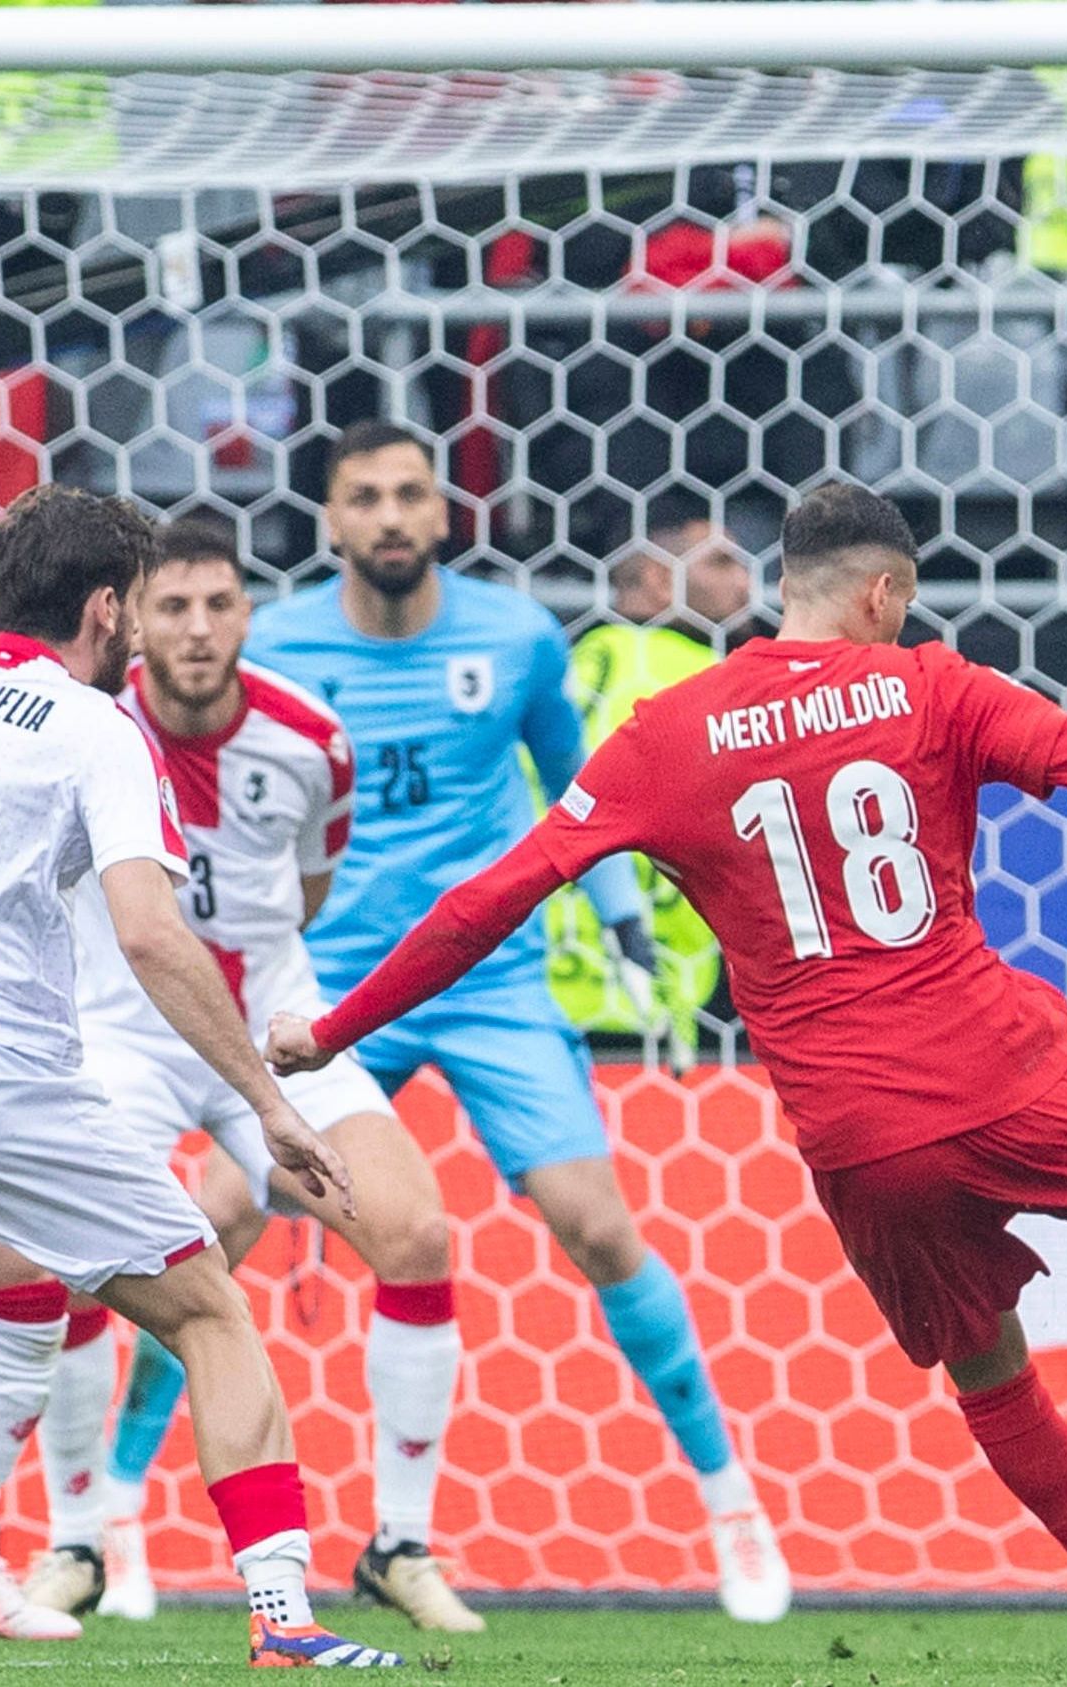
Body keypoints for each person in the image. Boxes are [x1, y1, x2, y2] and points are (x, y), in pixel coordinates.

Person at [266, 483, 1067, 1665]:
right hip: (1006, 1067)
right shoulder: (933, 686)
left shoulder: (666, 735)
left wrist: (336, 1028)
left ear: (784, 587)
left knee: (992, 1372)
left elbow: (487, 902)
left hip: (865, 1139)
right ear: (886, 592)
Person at [0, 485, 399, 1670]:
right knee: (208, 1311)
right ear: (106, 608)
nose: (149, 637)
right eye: (143, 610)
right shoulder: (97, 727)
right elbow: (153, 934)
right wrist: (266, 1099)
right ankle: (285, 1621)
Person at [246, 422, 789, 1625]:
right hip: (335, 987)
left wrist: (624, 921)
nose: (390, 516)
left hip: (491, 979)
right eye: (364, 498)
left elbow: (577, 788)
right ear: (331, 521)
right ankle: (111, 1513)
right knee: (227, 1220)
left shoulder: (518, 637)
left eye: (410, 495)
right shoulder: (274, 648)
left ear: (445, 515)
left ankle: (729, 1501)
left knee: (598, 1225)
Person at [0, 518, 475, 1633]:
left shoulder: (312, 739)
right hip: (121, 1037)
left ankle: (400, 1545)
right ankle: (78, 1540)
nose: (199, 630)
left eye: (220, 605)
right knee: (60, 1264)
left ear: (250, 614)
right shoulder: (85, 729)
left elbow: (307, 889)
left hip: (271, 1033)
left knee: (416, 1235)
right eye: (173, 607)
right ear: (131, 617)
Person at [547, 515, 753, 1059]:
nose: (745, 583)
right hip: (662, 987)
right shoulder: (709, 678)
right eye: (721, 562)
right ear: (661, 581)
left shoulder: (571, 668)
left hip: (547, 991)